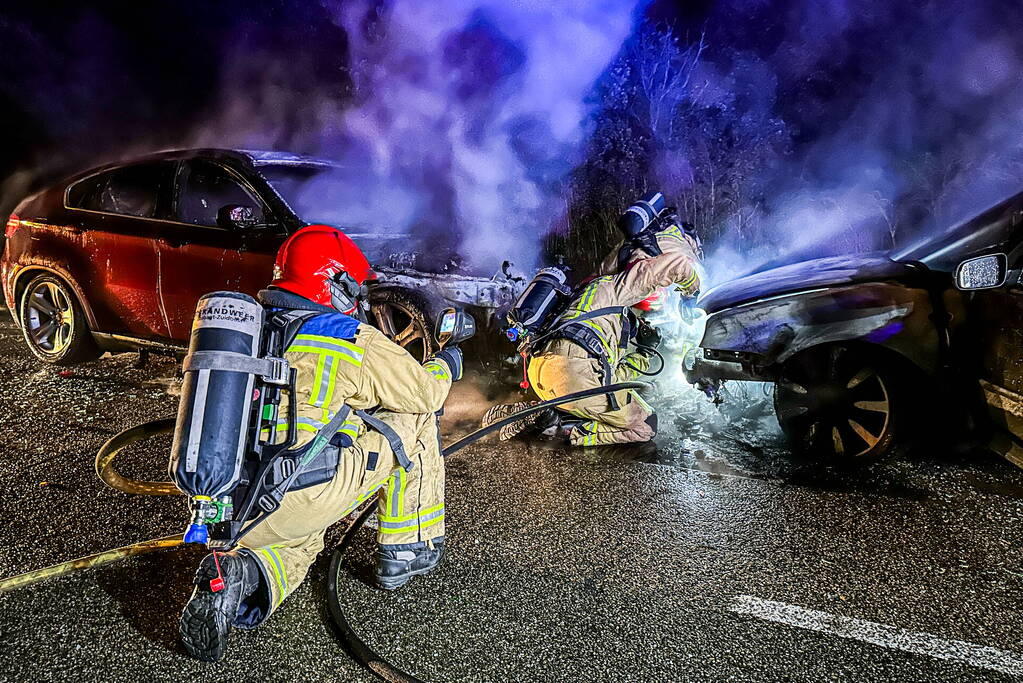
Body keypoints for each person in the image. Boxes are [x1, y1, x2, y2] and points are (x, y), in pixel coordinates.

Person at [178, 225, 461, 662]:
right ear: (334, 283)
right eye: (354, 287)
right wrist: (445, 363)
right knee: (414, 417)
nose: (358, 299)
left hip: (225, 502)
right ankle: (408, 549)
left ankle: (237, 573)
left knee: (302, 542)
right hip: (299, 493)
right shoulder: (347, 337)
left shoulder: (247, 330)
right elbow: (424, 393)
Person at [483, 193, 701, 446]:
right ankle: (560, 428)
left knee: (592, 394)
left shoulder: (586, 293)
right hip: (574, 375)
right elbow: (677, 264)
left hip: (542, 375)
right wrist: (690, 292)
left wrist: (645, 350)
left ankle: (543, 412)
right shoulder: (617, 288)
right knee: (645, 426)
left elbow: (610, 377)